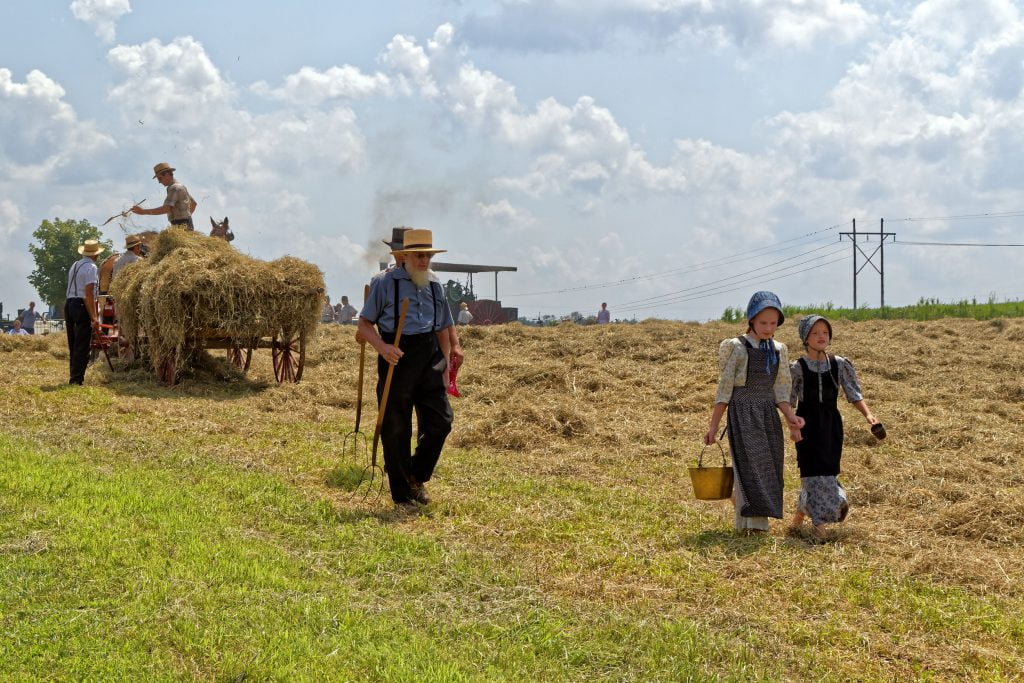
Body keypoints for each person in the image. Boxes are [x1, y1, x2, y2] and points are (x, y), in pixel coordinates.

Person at [357, 228, 456, 507]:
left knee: (441, 423)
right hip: (397, 357)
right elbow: (364, 324)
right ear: (405, 257)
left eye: (427, 256)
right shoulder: (384, 283)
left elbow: (443, 328)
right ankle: (402, 494)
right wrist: (383, 348)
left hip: (430, 358)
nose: (424, 261)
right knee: (396, 427)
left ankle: (416, 475)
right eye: (419, 256)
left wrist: (445, 364)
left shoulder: (435, 284)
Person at [704, 291, 804, 534]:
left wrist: (790, 416)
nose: (768, 328)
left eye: (773, 323)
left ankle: (751, 522)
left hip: (767, 413)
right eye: (763, 323)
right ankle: (755, 525)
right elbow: (725, 389)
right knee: (749, 466)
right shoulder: (737, 348)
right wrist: (713, 426)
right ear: (751, 320)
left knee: (769, 466)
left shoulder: (779, 349)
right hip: (743, 412)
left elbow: (781, 389)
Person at [788, 314, 878, 539]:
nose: (821, 337)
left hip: (831, 425)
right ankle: (819, 526)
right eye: (815, 333)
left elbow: (853, 393)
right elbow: (788, 400)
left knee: (828, 470)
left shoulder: (839, 364)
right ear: (805, 338)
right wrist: (792, 426)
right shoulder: (797, 367)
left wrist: (868, 415)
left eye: (825, 333)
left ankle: (798, 518)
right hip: (806, 424)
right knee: (812, 472)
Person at [65, 239, 105, 385]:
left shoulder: (75, 264)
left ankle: (73, 375)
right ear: (95, 255)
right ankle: (76, 379)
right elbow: (88, 293)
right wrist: (94, 317)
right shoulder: (92, 267)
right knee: (82, 344)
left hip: (69, 303)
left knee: (73, 342)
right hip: (81, 305)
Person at [130, 162, 197, 230]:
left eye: (160, 178)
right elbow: (194, 204)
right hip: (185, 225)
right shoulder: (181, 186)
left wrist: (143, 211)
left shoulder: (174, 188)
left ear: (167, 174)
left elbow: (166, 209)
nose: (159, 182)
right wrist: (187, 217)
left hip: (181, 226)